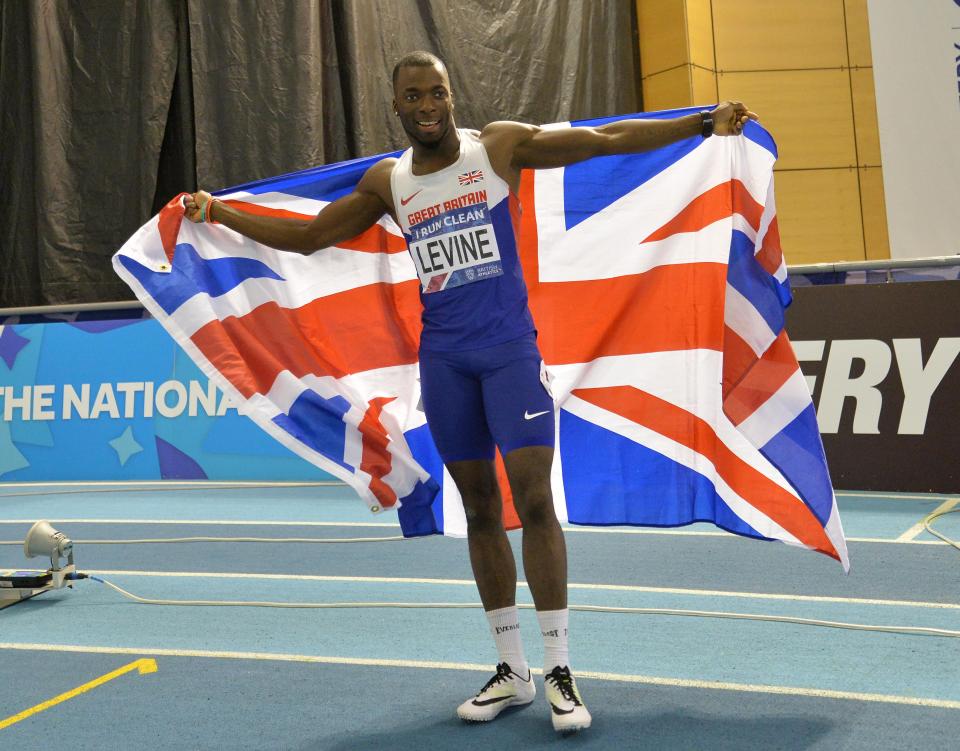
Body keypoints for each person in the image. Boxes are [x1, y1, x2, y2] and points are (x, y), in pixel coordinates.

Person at [184, 50, 757, 733]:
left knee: (535, 501)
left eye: (437, 93)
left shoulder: (499, 149)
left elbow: (603, 141)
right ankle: (511, 670)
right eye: (413, 96)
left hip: (510, 355)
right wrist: (217, 210)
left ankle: (560, 670)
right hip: (446, 364)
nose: (427, 105)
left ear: (452, 96)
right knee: (480, 509)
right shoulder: (390, 182)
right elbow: (309, 238)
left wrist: (699, 123)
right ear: (395, 106)